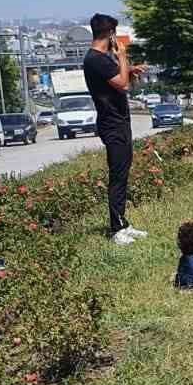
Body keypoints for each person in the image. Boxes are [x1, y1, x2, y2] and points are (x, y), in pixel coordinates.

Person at [83, 13, 147, 244]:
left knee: (123, 172)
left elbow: (118, 79)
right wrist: (122, 57)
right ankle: (116, 229)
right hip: (112, 123)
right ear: (109, 34)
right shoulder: (96, 59)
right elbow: (122, 85)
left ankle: (122, 222)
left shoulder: (102, 58)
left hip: (119, 121)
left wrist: (130, 69)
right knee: (118, 176)